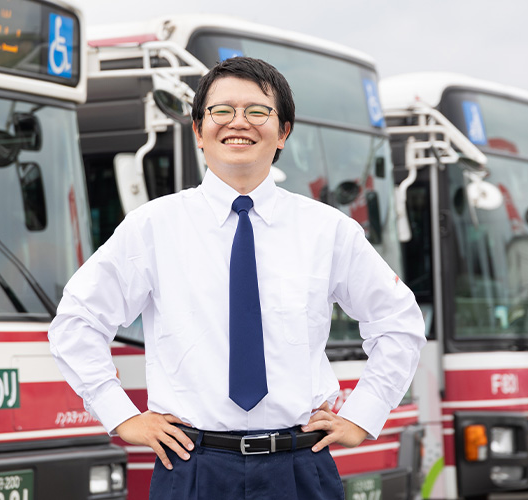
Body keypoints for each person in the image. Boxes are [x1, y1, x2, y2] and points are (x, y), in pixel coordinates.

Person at [48, 56, 426, 499]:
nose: (238, 123)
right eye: (222, 111)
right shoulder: (153, 227)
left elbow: (398, 322)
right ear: (198, 131)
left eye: (258, 111)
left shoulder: (328, 230)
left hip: (300, 470)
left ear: (283, 131)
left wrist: (364, 414)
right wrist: (120, 415)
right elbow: (76, 321)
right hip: (193, 468)